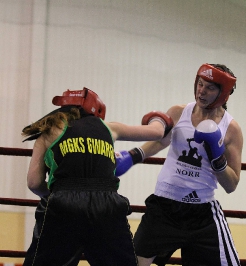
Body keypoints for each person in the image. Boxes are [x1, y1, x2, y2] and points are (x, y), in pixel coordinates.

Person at [21, 87, 173, 266]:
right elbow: (157, 133)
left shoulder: (49, 130)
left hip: (63, 204)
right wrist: (159, 118)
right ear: (96, 110)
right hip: (107, 205)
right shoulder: (109, 128)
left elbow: (34, 182)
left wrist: (52, 195)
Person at [116, 64, 243, 266]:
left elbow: (232, 184)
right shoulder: (178, 112)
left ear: (224, 93)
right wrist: (132, 156)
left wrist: (218, 159)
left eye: (210, 88)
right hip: (164, 206)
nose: (201, 91)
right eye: (200, 84)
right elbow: (159, 141)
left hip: (202, 213)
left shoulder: (231, 129)